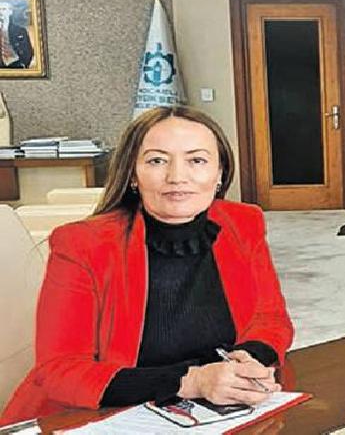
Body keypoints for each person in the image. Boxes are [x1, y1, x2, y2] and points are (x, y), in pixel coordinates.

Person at [1, 106, 294, 424]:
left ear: (220, 172)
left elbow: (270, 319)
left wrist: (249, 359)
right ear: (132, 174)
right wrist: (191, 381)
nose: (177, 177)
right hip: (95, 416)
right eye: (157, 160)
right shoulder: (82, 245)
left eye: (197, 160)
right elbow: (60, 371)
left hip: (208, 415)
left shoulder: (243, 223)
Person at [0, 1, 33, 69]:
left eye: (3, 9)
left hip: (16, 63)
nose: (0, 12)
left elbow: (28, 50)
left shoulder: (20, 30)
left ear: (10, 12)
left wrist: (24, 63)